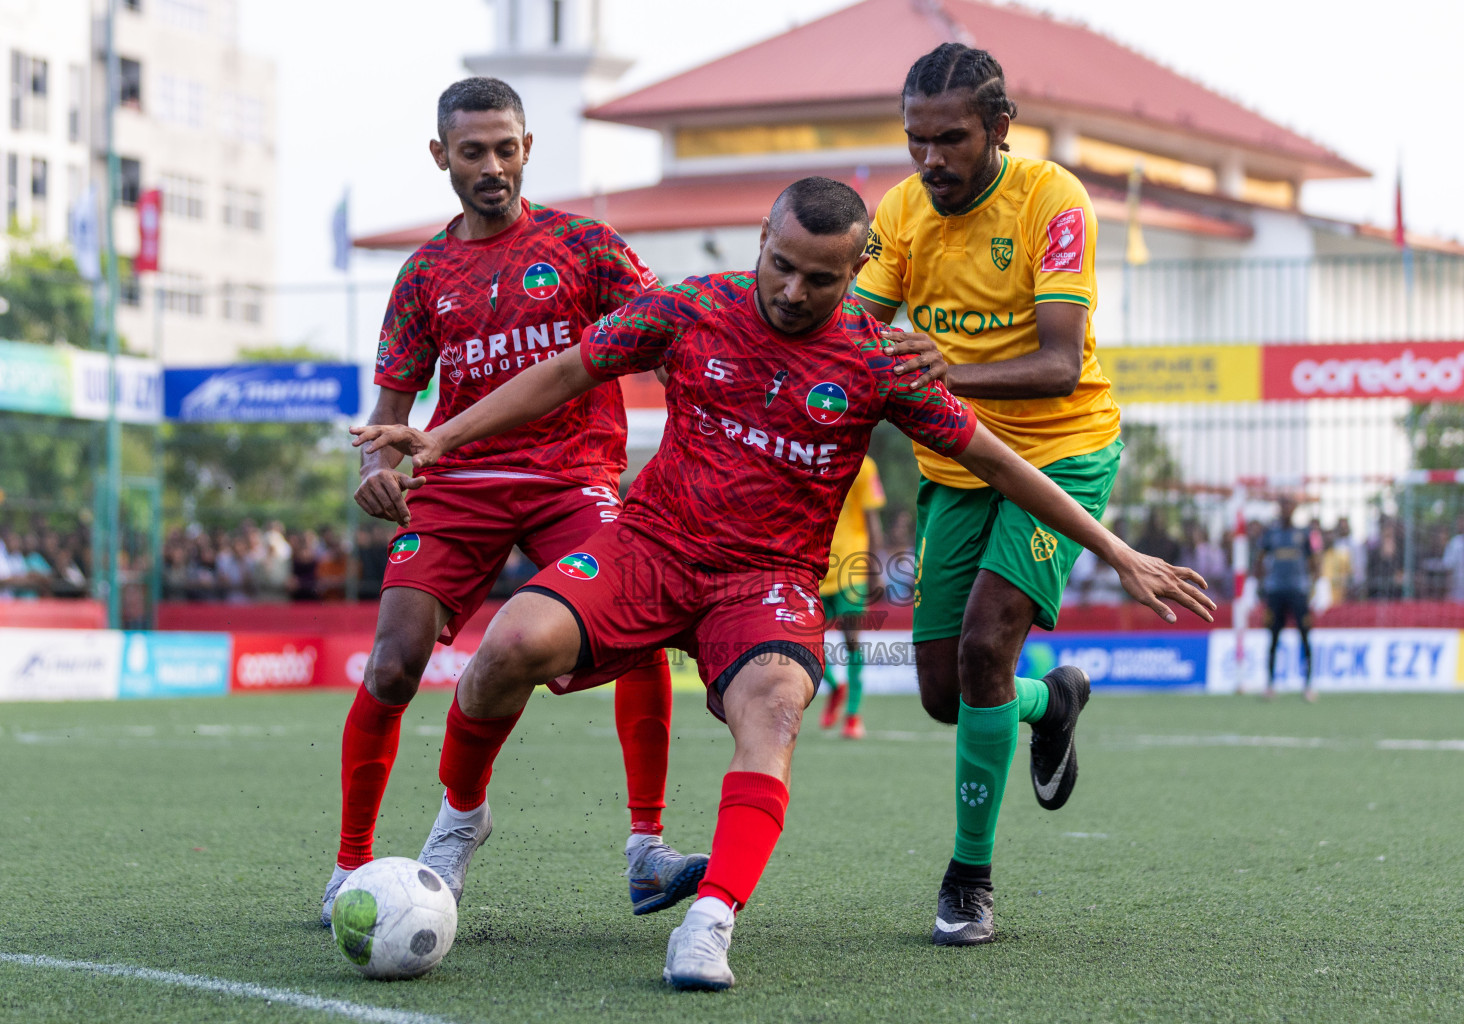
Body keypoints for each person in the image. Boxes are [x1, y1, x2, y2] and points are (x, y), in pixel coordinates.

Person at [353, 176, 1214, 991]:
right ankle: (462, 817)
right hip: (652, 543)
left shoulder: (881, 361)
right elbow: (570, 370)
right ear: (762, 240)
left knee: (774, 707)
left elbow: (998, 460)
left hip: (766, 579)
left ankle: (711, 920)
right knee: (510, 643)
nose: (797, 291)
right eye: (784, 265)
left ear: (855, 274)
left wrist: (1120, 553)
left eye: (823, 279)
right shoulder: (691, 305)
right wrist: (442, 436)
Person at [322, 77, 702, 926]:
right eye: (472, 152)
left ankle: (646, 848)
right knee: (391, 663)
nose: (492, 166)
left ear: (528, 148)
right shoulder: (424, 275)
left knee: (633, 627)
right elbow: (389, 420)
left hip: (574, 481)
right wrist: (380, 472)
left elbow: (669, 340)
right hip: (457, 486)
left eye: (506, 148)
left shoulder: (588, 247)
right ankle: (350, 866)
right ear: (440, 157)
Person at [852, 43, 1126, 945]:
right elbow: (855, 334)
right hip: (956, 468)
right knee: (945, 692)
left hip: (1062, 456)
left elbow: (1056, 362)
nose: (931, 160)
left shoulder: (1055, 200)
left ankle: (969, 877)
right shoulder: (900, 212)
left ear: (1000, 127)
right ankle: (1055, 700)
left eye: (952, 140)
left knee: (982, 648)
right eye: (916, 141)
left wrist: (949, 374)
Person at [816, 454, 886, 739]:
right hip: (815, 565)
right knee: (804, 639)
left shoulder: (865, 466)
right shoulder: (811, 458)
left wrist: (875, 567)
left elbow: (872, 520)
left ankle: (853, 715)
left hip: (850, 567)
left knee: (852, 641)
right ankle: (835, 687)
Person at [1255, 495, 1317, 700]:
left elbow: (1314, 560)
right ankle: (1270, 683)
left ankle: (1308, 684)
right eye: (1283, 505)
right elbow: (1260, 559)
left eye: (1289, 505)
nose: (1286, 509)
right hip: (1275, 592)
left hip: (1298, 591)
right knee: (1273, 637)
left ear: (1295, 508)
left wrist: (1318, 584)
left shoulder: (1305, 533)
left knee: (1305, 635)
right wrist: (1255, 583)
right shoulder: (1270, 534)